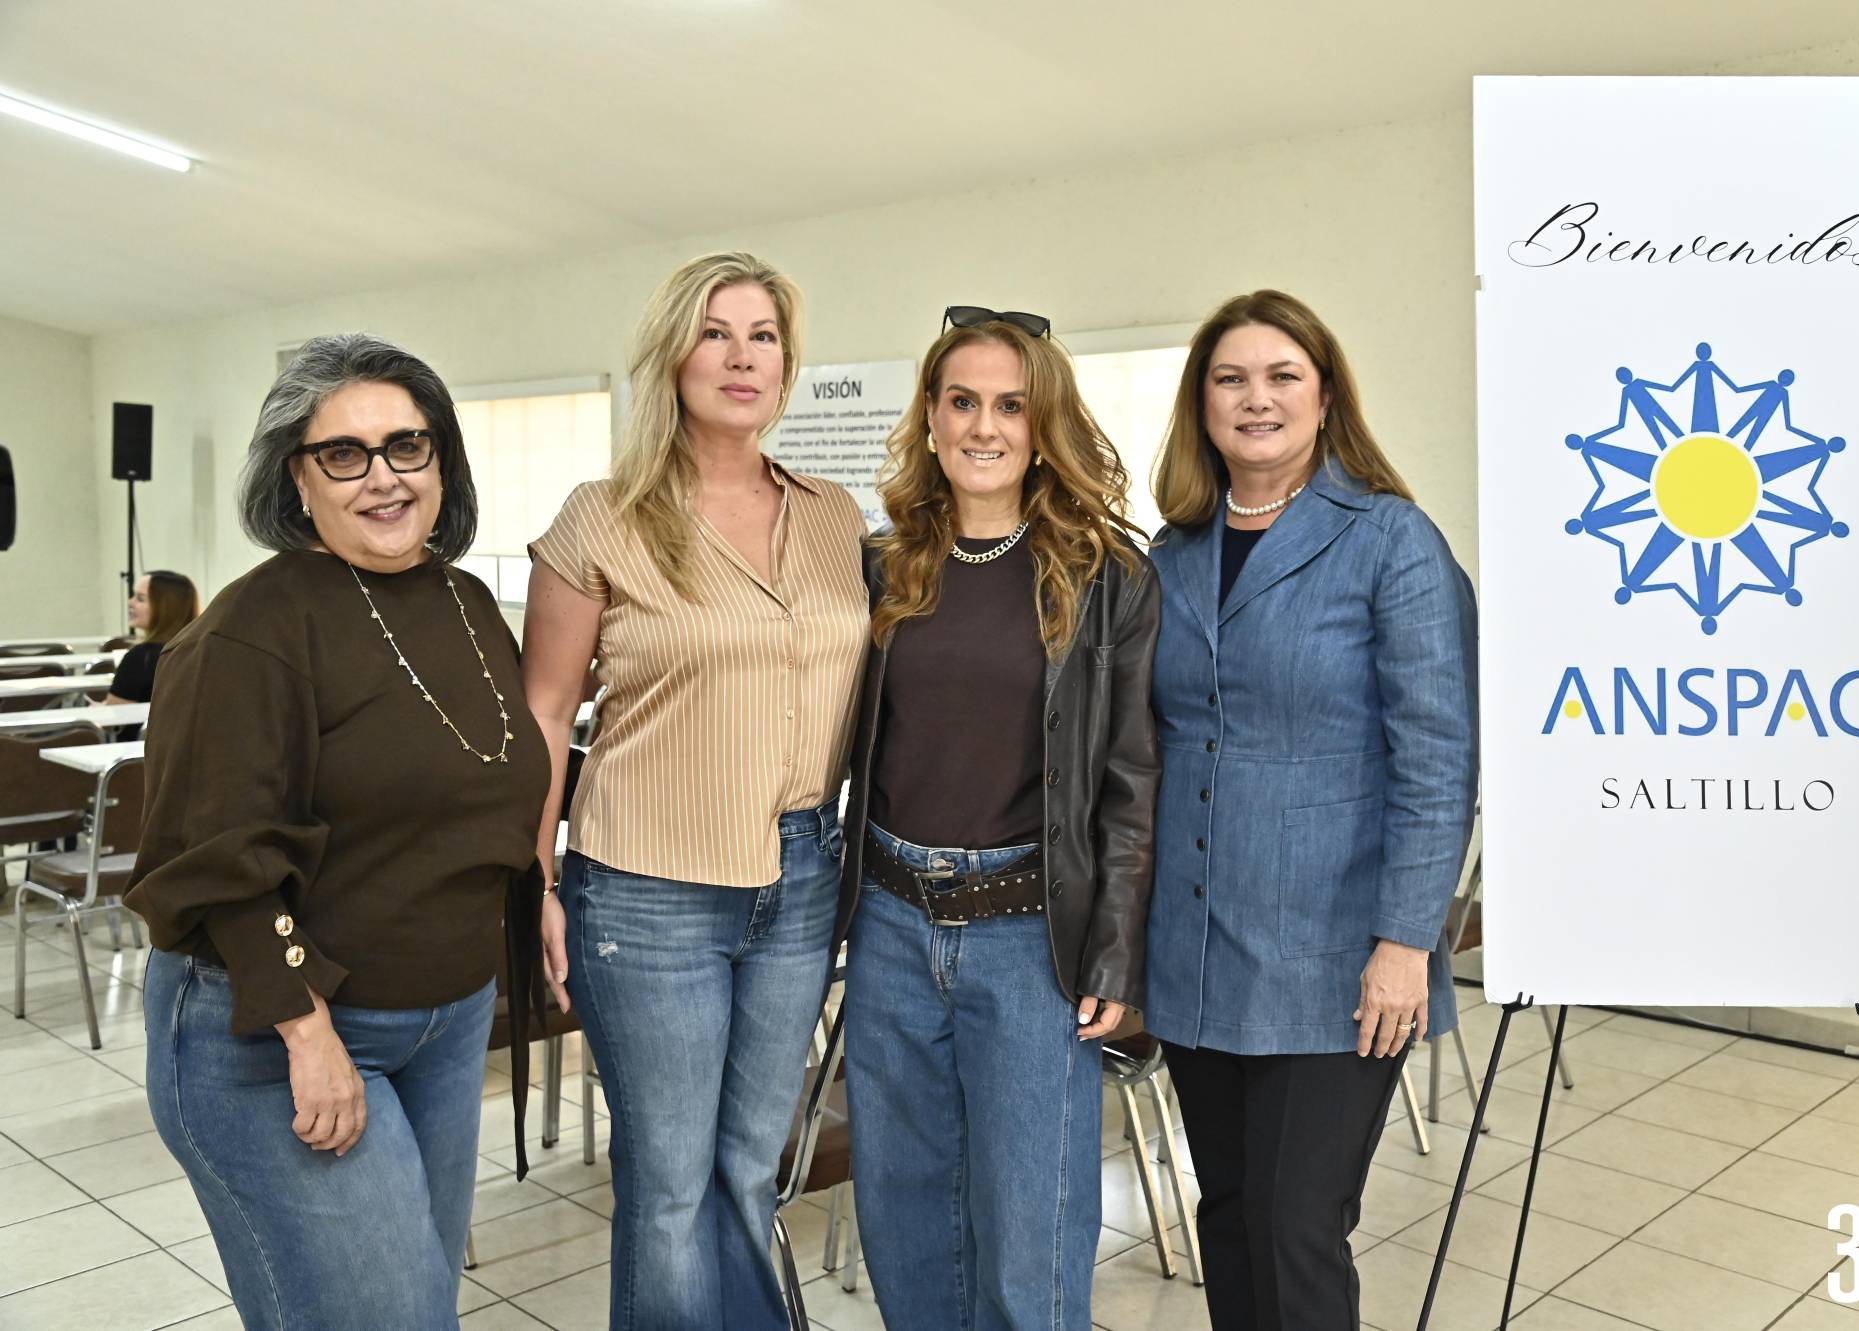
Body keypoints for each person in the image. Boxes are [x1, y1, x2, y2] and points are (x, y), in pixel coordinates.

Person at [128, 334, 549, 1331]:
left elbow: (482, 789)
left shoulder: (463, 598)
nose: (385, 478)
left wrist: (542, 898)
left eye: (408, 446)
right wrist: (306, 1032)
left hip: (443, 1021)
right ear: (296, 476)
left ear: (441, 456)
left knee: (419, 1302)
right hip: (281, 1028)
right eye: (344, 454)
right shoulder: (249, 630)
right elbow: (217, 856)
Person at [523, 252, 868, 1331]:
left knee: (747, 1165)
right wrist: (531, 873)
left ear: (786, 364)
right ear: (672, 356)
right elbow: (542, 712)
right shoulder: (602, 516)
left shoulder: (833, 515)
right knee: (667, 1185)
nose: (739, 355)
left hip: (801, 874)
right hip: (644, 884)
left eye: (762, 335)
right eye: (715, 332)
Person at [1145, 290, 1478, 1331]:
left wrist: (1403, 944)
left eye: (1281, 375)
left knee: (1297, 1224)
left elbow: (1436, 758)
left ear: (1325, 394)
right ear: (1199, 404)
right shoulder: (1175, 549)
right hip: (1196, 948)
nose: (1256, 399)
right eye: (1229, 378)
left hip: (1337, 960)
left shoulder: (1388, 540)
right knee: (1233, 1212)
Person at [837, 307, 1161, 1330]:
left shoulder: (1107, 574)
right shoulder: (885, 565)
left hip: (1032, 938)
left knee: (1031, 1233)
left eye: (1010, 405)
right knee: (906, 1214)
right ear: (929, 417)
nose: (984, 426)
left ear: (1042, 424)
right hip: (890, 923)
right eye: (962, 400)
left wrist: (1114, 953)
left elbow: (1130, 776)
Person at [104, 569, 199, 704]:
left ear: (165, 608)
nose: (130, 603)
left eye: (140, 599)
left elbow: (114, 716)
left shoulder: (141, 658)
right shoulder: (201, 650)